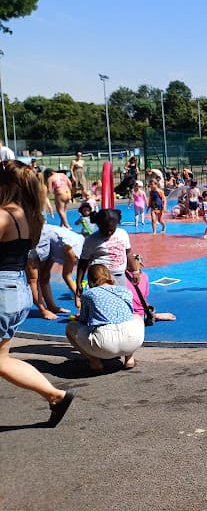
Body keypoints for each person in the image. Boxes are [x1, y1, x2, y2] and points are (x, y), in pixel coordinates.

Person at [0, 160, 75, 426]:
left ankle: (55, 394)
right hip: (16, 287)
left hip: (3, 288)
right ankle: (55, 396)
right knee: (2, 360)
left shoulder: (4, 215)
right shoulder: (31, 216)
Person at [66, 264, 144, 372]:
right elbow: (128, 314)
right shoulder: (125, 291)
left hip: (104, 343)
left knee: (70, 328)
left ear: (90, 279)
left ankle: (94, 360)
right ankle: (129, 359)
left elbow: (83, 321)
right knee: (135, 317)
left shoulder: (88, 294)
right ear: (108, 276)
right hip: (132, 341)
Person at [76, 208, 135, 299]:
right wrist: (79, 282)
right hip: (100, 278)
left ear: (117, 224)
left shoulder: (123, 234)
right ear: (99, 225)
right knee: (103, 302)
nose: (109, 232)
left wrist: (135, 271)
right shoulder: (92, 240)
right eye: (105, 229)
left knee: (122, 299)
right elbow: (83, 261)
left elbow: (128, 253)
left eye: (112, 230)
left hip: (120, 275)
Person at [27, 224, 84, 319]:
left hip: (51, 239)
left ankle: (51, 306)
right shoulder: (75, 254)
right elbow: (67, 276)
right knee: (33, 278)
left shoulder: (85, 247)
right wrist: (78, 296)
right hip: (38, 236)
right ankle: (43, 310)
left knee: (44, 276)